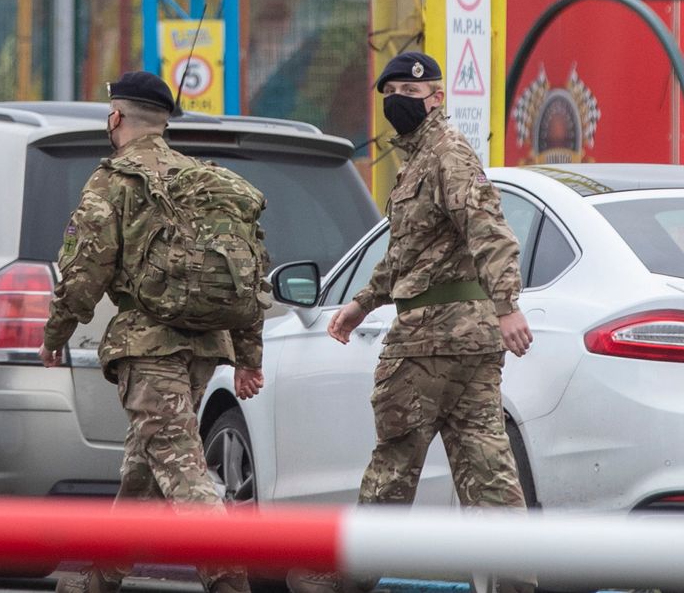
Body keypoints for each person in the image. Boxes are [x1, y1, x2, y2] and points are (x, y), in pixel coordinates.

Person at [286, 51, 535, 593]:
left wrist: (508, 305)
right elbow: (408, 253)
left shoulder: (447, 155)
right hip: (465, 342)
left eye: (409, 90)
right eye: (391, 91)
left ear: (437, 96)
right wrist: (362, 302)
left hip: (430, 339)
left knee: (395, 462)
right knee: (488, 472)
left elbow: (488, 230)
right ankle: (514, 582)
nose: (398, 100)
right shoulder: (422, 161)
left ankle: (345, 577)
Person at [40, 70, 267, 593]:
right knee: (143, 472)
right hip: (203, 349)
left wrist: (56, 335)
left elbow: (83, 272)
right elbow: (251, 272)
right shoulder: (205, 181)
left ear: (115, 117)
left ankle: (231, 582)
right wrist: (248, 356)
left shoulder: (116, 180)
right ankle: (96, 581)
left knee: (184, 473)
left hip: (148, 350)